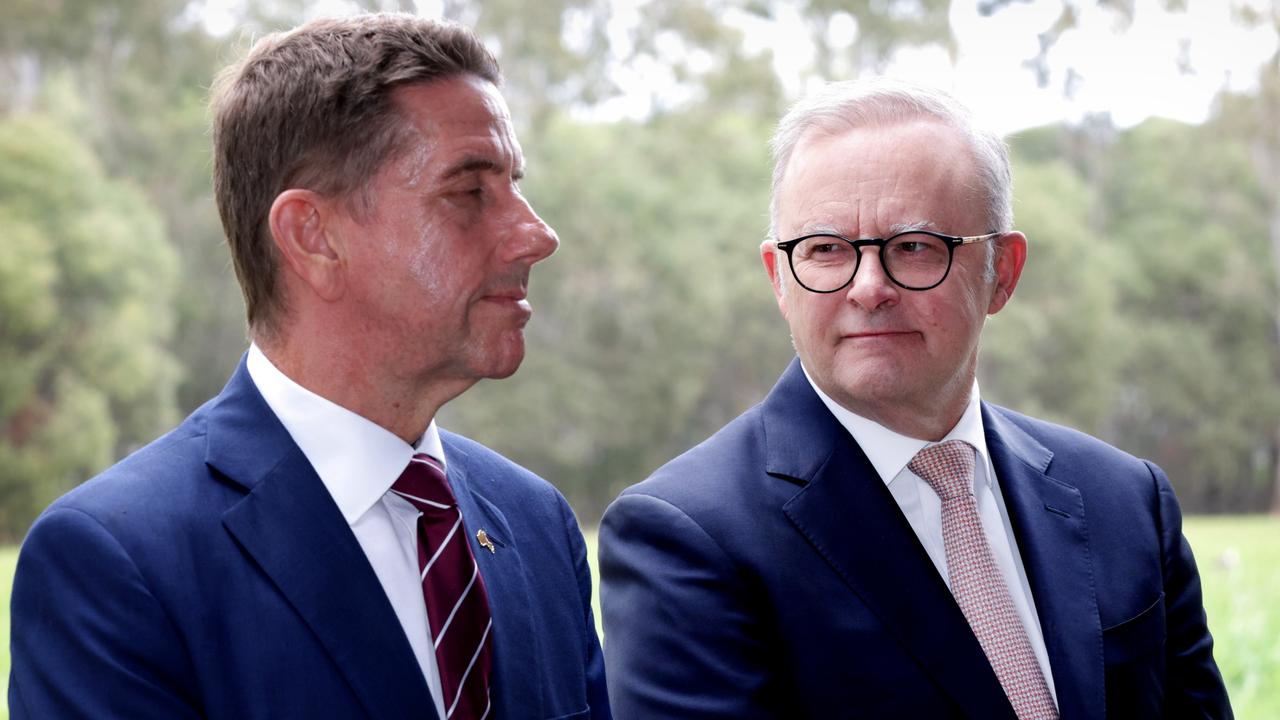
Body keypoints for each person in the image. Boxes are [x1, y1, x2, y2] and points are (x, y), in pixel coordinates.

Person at [9, 14, 609, 720]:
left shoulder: (537, 524)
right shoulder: (117, 563)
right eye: (470, 192)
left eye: (515, 185)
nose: (537, 234)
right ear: (312, 236)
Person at [598, 78, 1231, 719]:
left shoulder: (1126, 501)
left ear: (1002, 273)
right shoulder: (688, 538)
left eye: (914, 247)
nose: (869, 287)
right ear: (779, 279)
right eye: (825, 249)